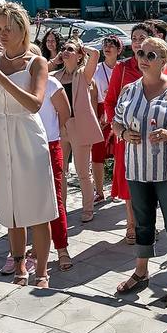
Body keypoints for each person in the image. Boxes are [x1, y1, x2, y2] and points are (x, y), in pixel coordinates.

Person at [0, 2, 58, 288]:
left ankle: (42, 271)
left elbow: (34, 104)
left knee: (37, 207)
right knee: (10, 207)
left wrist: (1, 79)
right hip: (0, 133)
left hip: (27, 136)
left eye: (8, 28)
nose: (2, 34)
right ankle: (20, 266)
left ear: (23, 29)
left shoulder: (37, 62)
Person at [113, 37, 167, 301]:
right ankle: (141, 271)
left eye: (151, 55)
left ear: (164, 61)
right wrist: (123, 133)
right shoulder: (129, 89)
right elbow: (116, 121)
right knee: (143, 222)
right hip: (137, 168)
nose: (144, 58)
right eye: (141, 53)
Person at [105, 23, 151, 242]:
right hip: (128, 136)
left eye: (142, 37)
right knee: (130, 181)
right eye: (134, 38)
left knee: (151, 180)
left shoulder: (159, 66)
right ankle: (132, 225)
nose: (138, 42)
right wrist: (120, 128)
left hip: (153, 136)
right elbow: (110, 102)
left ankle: (147, 223)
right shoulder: (122, 68)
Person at [55, 38, 103, 222]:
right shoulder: (55, 75)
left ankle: (88, 209)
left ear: (79, 55)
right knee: (60, 171)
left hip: (79, 126)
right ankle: (61, 209)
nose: (65, 51)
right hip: (60, 126)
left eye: (70, 49)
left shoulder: (83, 74)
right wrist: (57, 59)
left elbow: (96, 55)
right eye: (63, 49)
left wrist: (82, 47)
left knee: (83, 172)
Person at [37, 67, 73, 270]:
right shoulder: (14, 81)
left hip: (49, 144)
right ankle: (33, 250)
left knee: (54, 197)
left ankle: (62, 248)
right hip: (24, 145)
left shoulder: (51, 83)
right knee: (28, 200)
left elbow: (65, 113)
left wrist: (49, 131)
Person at [91, 35, 122, 203]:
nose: (107, 48)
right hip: (101, 109)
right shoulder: (96, 69)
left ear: (119, 50)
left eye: (111, 45)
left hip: (119, 110)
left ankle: (115, 190)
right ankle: (99, 190)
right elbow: (92, 94)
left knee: (118, 152)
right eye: (105, 45)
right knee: (97, 152)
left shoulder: (122, 68)